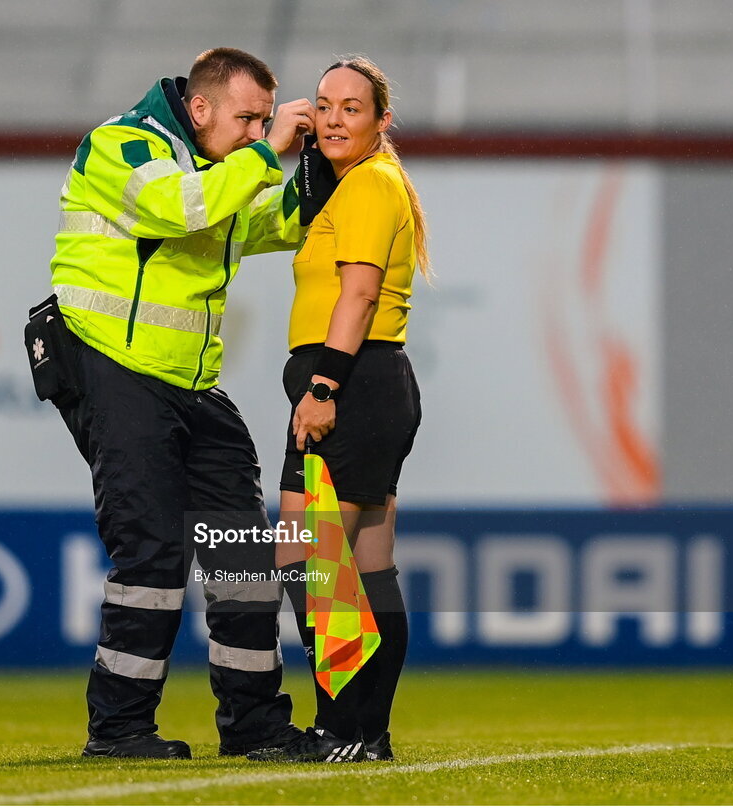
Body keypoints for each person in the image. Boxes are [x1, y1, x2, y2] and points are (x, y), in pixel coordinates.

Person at [46, 47, 319, 759]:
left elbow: (269, 225)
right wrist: (269, 157)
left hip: (194, 387)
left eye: (267, 119)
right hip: (115, 369)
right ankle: (119, 729)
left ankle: (254, 725)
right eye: (247, 118)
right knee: (152, 555)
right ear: (198, 108)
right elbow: (177, 208)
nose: (260, 133)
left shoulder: (219, 168)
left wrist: (319, 169)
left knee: (242, 558)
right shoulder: (122, 144)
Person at [250, 56, 431, 763]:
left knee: (307, 559)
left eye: (351, 107)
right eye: (322, 105)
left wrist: (321, 388)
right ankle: (368, 733)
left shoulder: (368, 186)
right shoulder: (362, 185)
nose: (331, 118)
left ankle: (340, 728)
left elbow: (356, 295)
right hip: (375, 384)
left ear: (382, 120)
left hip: (351, 386)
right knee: (367, 563)